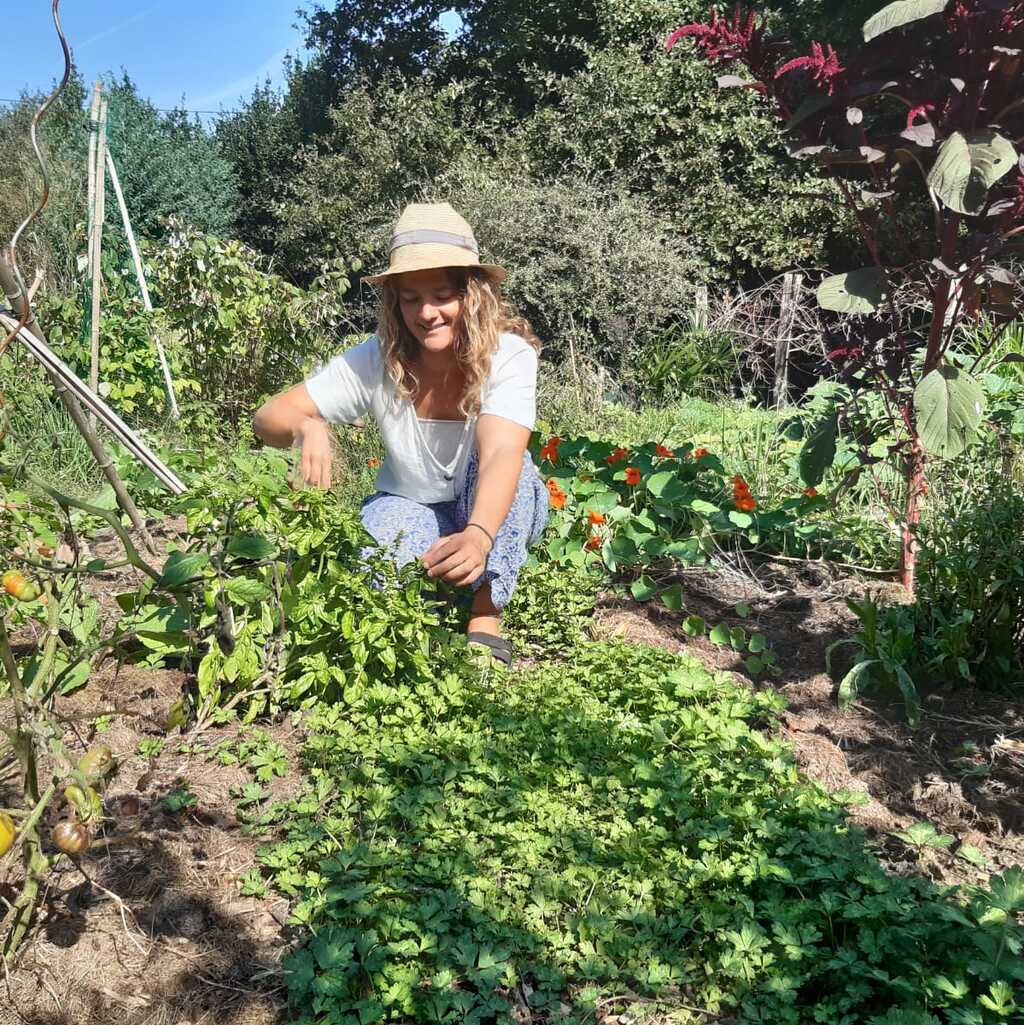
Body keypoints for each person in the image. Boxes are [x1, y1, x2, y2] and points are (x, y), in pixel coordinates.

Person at [253, 202, 549, 665]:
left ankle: (485, 612)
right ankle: (433, 583)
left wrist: (479, 534)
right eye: (410, 298)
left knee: (517, 478)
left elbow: (501, 454)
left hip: (490, 500)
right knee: (376, 568)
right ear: (394, 301)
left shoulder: (508, 356)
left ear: (471, 294)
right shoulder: (376, 358)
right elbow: (267, 417)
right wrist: (307, 425)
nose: (426, 313)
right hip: (409, 503)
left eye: (441, 295)